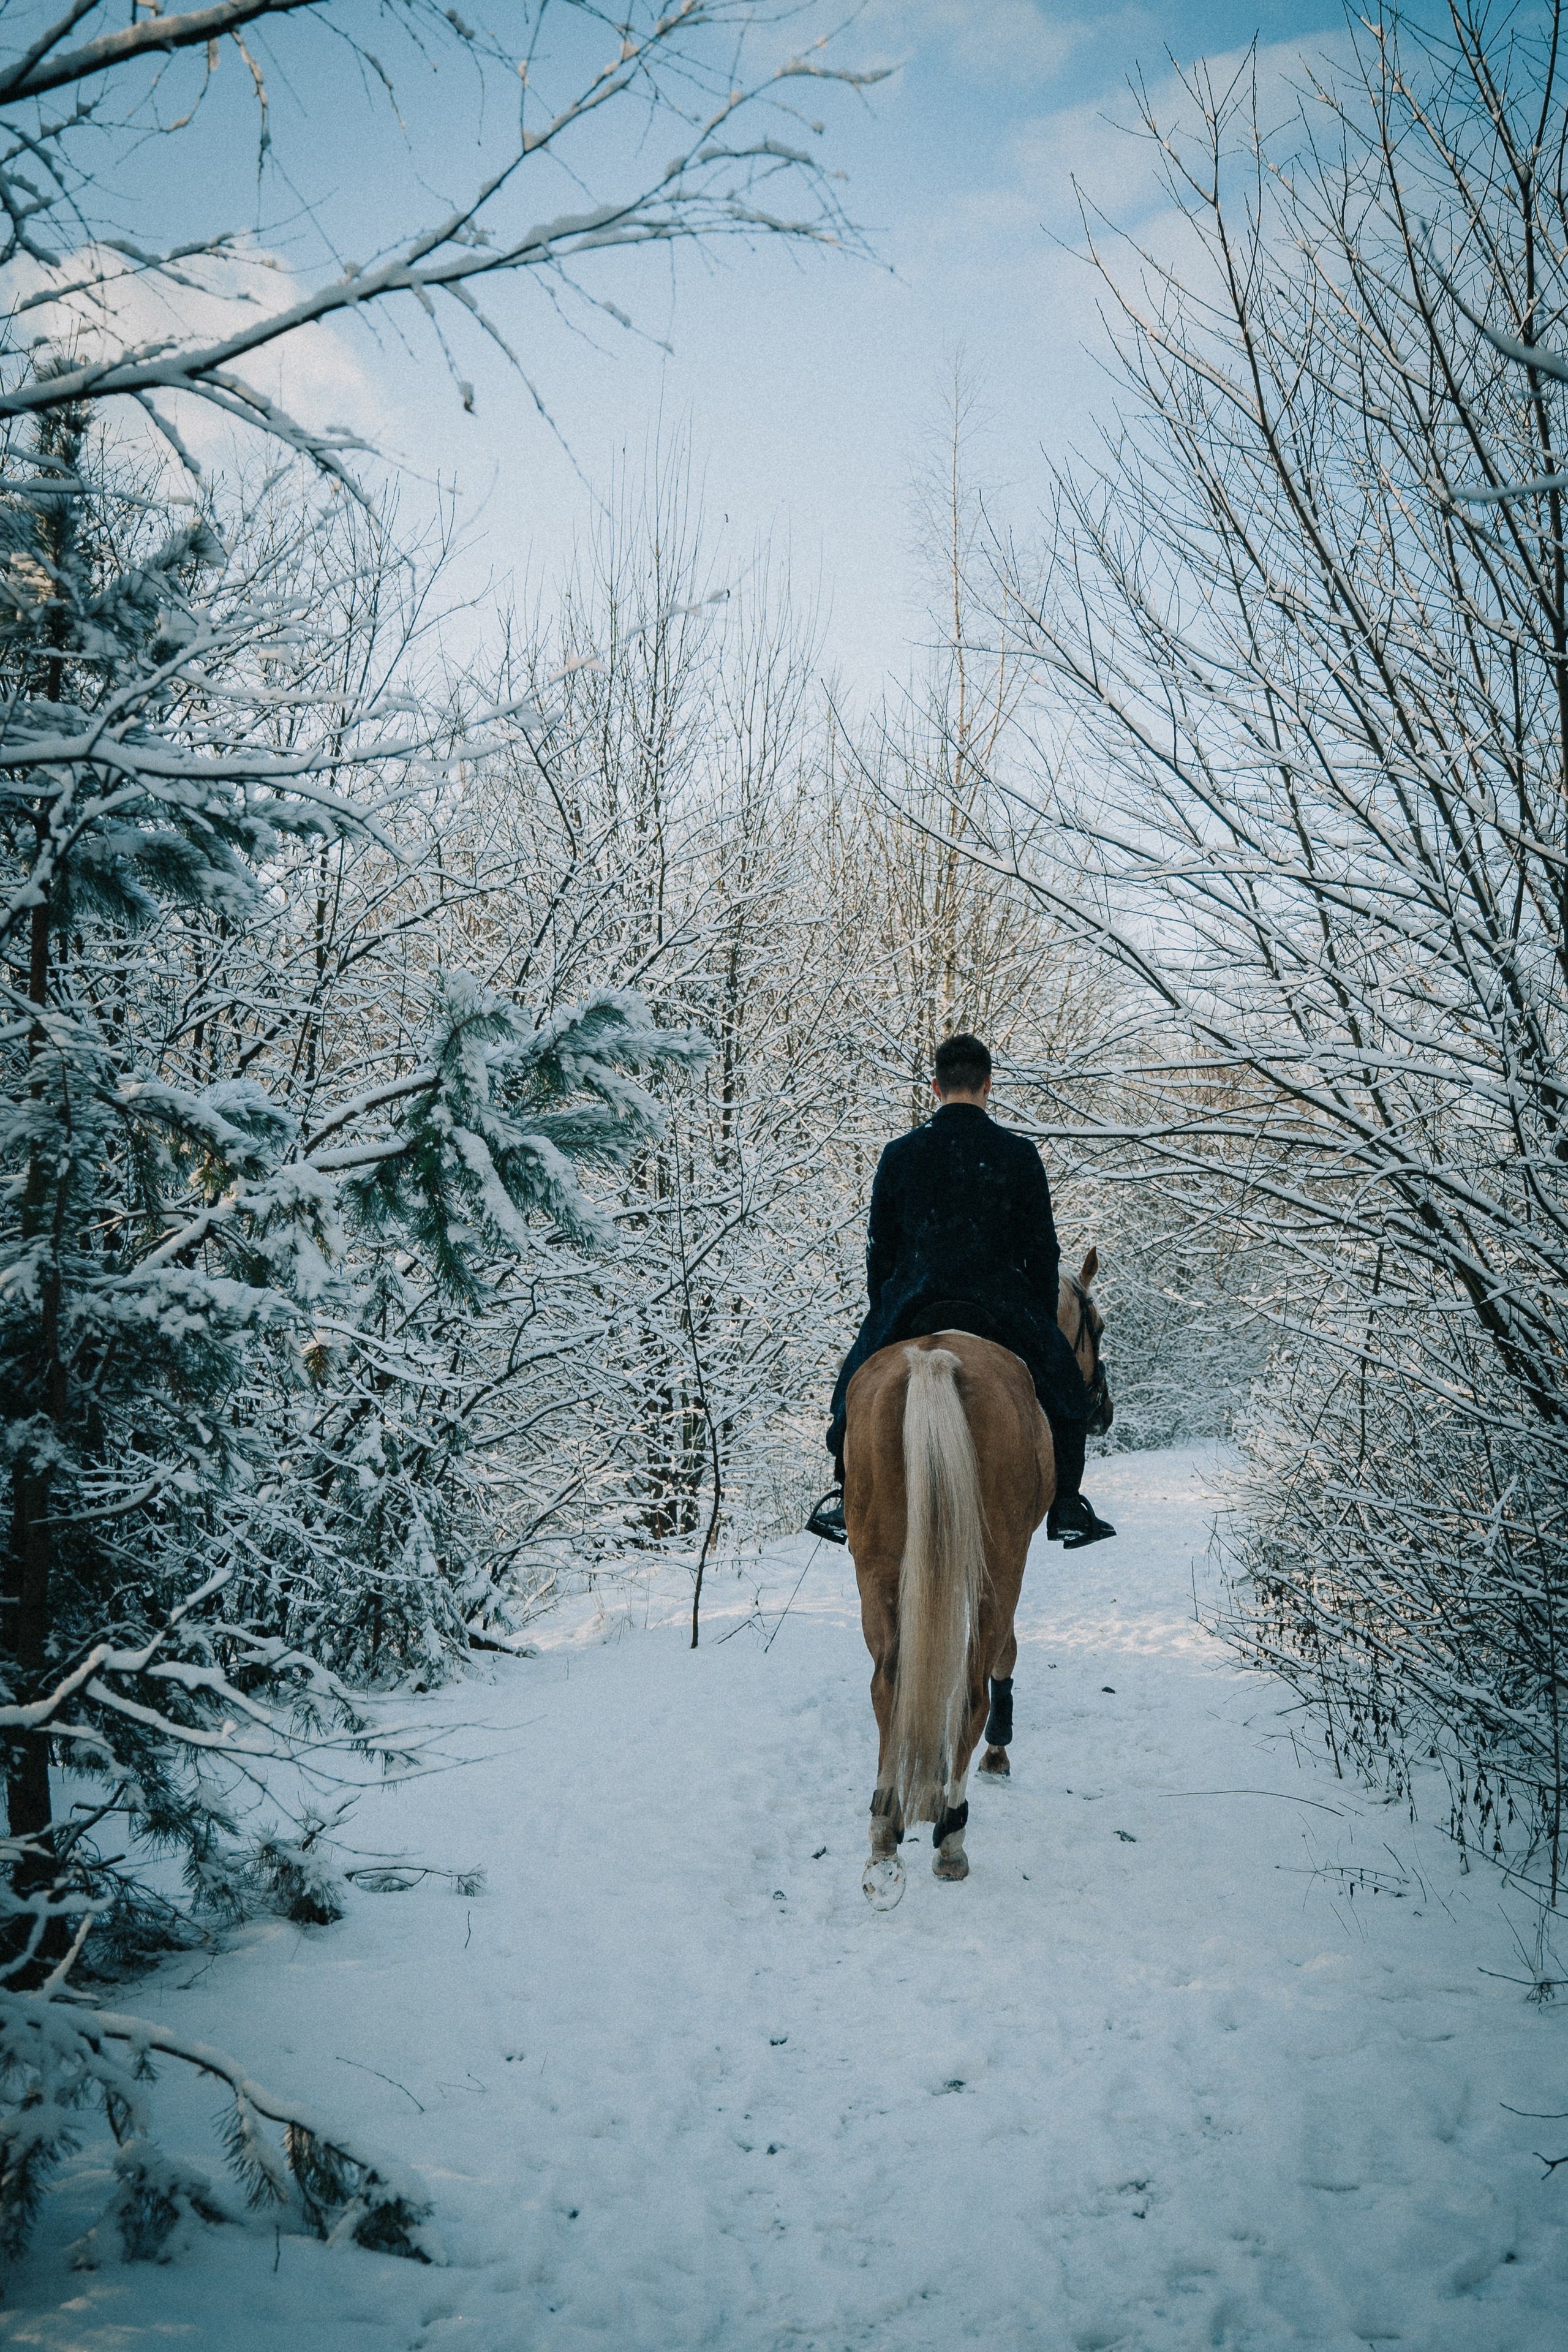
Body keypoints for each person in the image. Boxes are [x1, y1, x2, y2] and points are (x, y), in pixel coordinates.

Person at [807, 1033, 1114, 1550]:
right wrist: (1037, 1322)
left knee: (853, 1388)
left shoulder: (899, 1155)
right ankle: (1067, 1504)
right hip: (1001, 1307)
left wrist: (887, 1307)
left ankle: (843, 1492)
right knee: (1065, 1387)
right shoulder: (1018, 1156)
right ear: (989, 1085)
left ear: (935, 1087)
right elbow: (1042, 1254)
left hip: (912, 1303)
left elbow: (880, 1253)